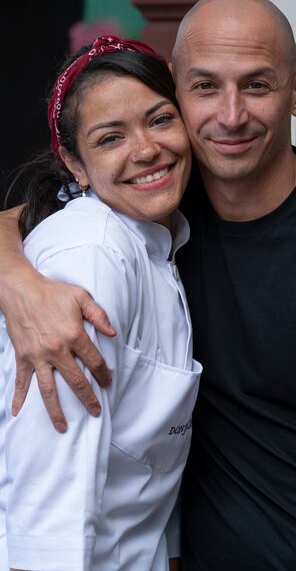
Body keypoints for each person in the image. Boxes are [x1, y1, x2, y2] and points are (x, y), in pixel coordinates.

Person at [1, 0, 296, 570]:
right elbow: (29, 217)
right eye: (204, 87)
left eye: (257, 84)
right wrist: (16, 280)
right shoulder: (156, 200)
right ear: (177, 87)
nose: (230, 115)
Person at [0, 34, 202, 571]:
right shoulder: (92, 255)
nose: (145, 150)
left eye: (160, 120)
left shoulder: (158, 234)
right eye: (110, 138)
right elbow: (49, 505)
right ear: (75, 164)